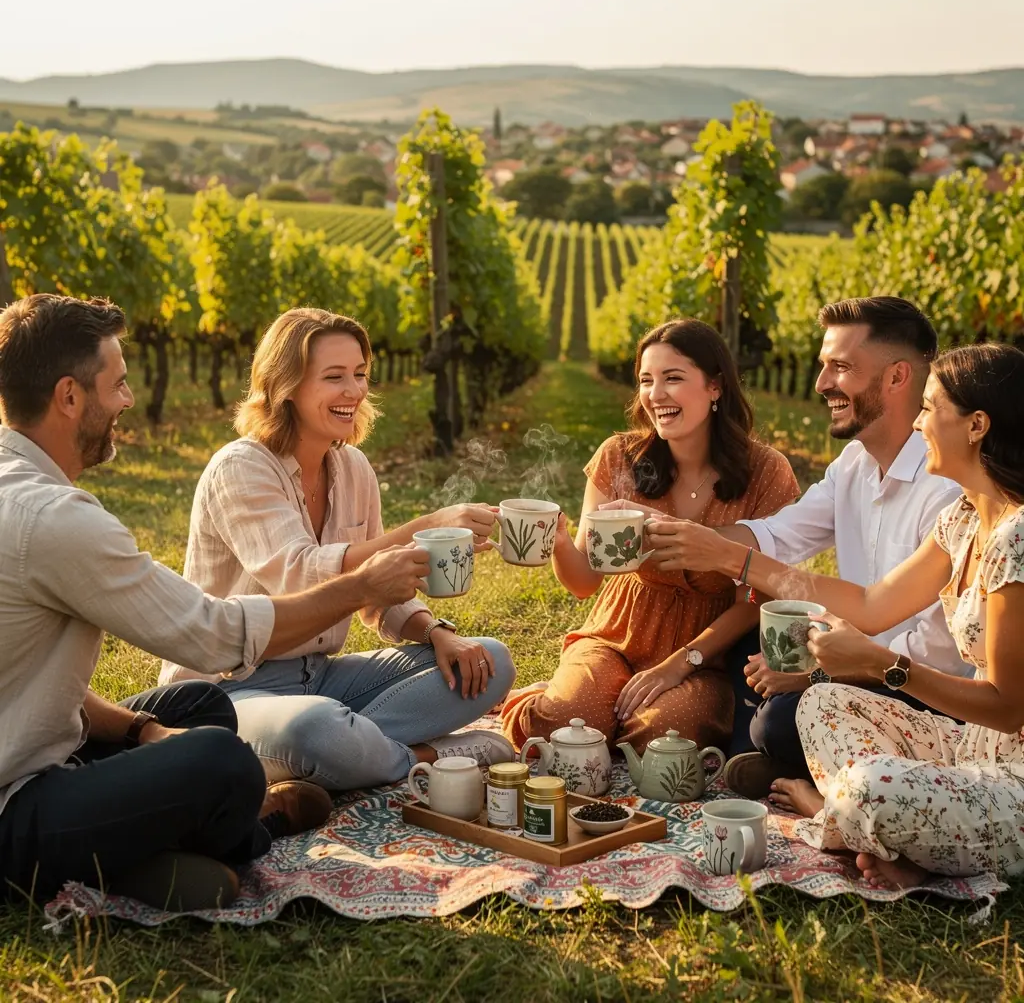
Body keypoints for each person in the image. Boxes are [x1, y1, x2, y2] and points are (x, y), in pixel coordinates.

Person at [0, 294, 432, 910]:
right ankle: (235, 833)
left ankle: (143, 849)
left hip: (38, 748)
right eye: (118, 385)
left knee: (199, 703)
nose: (128, 401)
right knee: (221, 762)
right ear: (69, 397)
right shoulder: (54, 519)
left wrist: (145, 729)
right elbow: (210, 636)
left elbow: (28, 683)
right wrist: (363, 584)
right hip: (13, 801)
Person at [645, 342, 1024, 888]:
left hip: (1010, 771)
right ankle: (881, 831)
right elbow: (870, 605)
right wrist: (734, 558)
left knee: (871, 786)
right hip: (969, 752)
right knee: (820, 703)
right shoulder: (964, 520)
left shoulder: (1016, 539)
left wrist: (881, 667)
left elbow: (1010, 708)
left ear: (977, 425)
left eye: (930, 408)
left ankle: (838, 813)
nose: (917, 424)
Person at [161, 308, 516, 791]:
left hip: (320, 676)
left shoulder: (353, 468)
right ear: (286, 385)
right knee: (316, 727)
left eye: (360, 375)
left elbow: (378, 593)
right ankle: (420, 755)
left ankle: (339, 753)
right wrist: (429, 524)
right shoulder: (240, 468)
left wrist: (436, 633)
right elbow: (303, 575)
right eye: (334, 377)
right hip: (228, 688)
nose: (355, 391)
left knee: (488, 662)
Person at [656, 297, 965, 796]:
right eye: (823, 367)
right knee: (754, 641)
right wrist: (681, 537)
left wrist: (816, 672)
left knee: (779, 718)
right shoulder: (854, 464)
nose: (821, 384)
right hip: (853, 653)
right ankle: (769, 761)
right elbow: (782, 532)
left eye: (840, 368)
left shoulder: (947, 492)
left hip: (918, 686)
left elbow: (938, 656)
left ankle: (776, 761)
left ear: (896, 377)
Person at [501, 319, 800, 754]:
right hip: (616, 632)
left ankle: (613, 710)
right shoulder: (618, 456)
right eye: (646, 380)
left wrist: (680, 664)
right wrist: (562, 541)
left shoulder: (766, 472)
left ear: (715, 386)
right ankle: (561, 697)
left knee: (663, 738)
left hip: (706, 652)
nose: (655, 394)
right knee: (567, 724)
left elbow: (756, 600)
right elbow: (585, 582)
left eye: (672, 378)